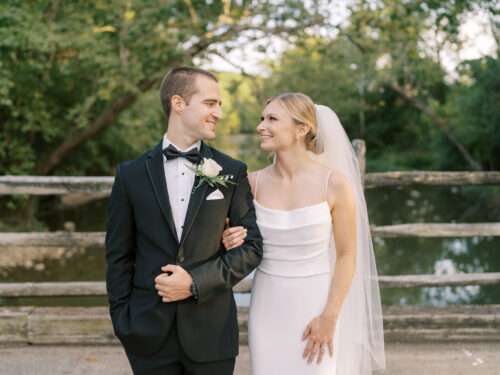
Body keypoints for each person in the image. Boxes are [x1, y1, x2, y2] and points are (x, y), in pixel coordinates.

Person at [105, 66, 263, 375]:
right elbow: (118, 255)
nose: (217, 112)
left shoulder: (232, 171)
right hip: (147, 335)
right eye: (210, 103)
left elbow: (252, 248)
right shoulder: (130, 175)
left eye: (219, 104)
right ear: (178, 103)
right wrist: (123, 321)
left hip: (211, 334)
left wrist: (193, 283)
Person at [222, 93, 386, 374]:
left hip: (317, 303)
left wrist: (330, 316)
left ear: (301, 129)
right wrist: (228, 241)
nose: (261, 126)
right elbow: (236, 243)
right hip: (267, 307)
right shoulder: (251, 183)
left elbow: (347, 256)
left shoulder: (334, 183)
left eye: (272, 119)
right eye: (262, 118)